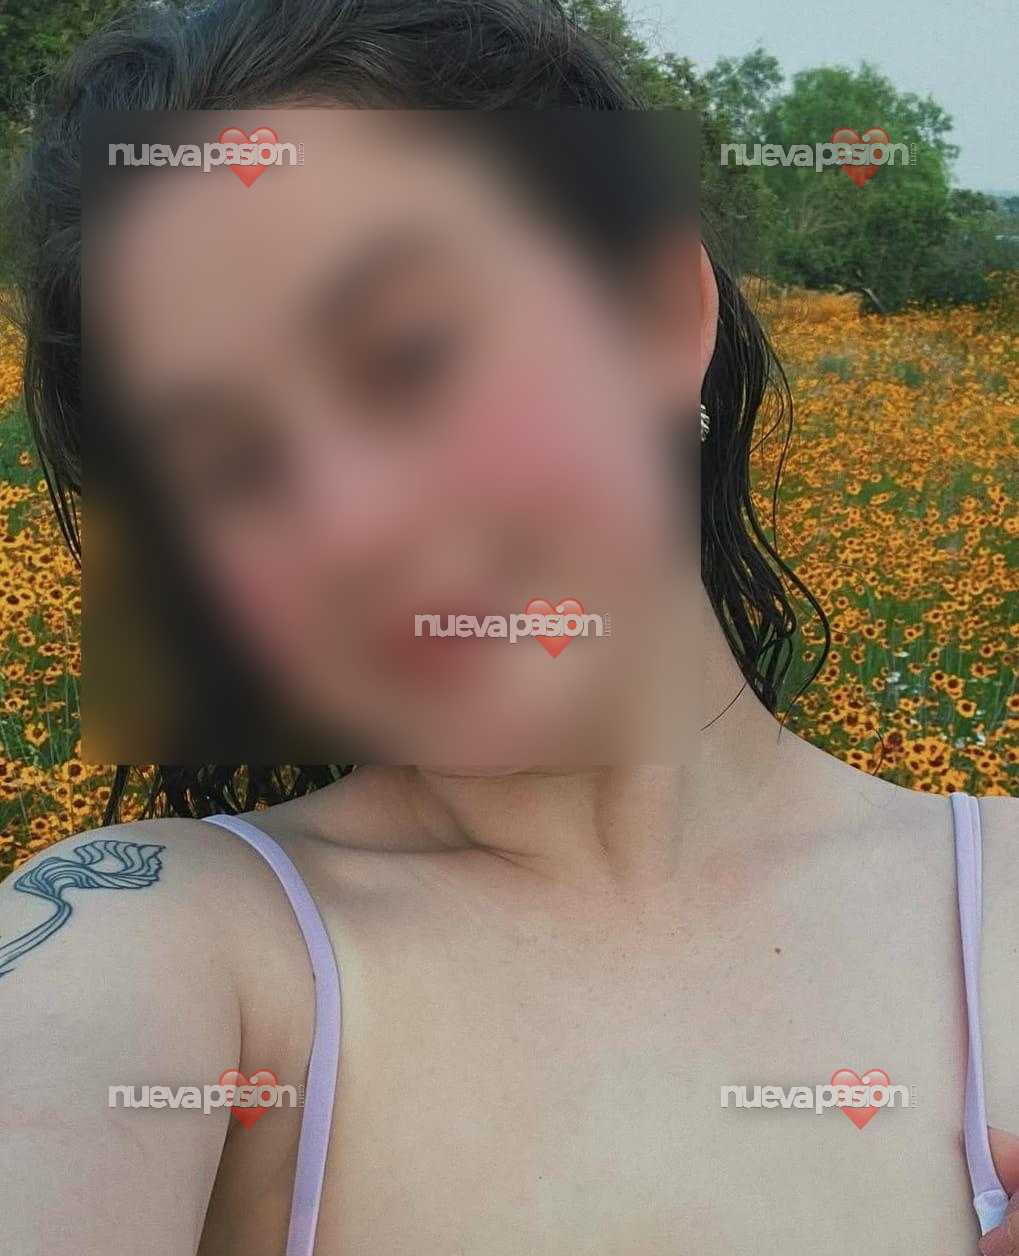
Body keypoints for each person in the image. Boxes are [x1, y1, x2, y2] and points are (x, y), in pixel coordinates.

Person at [1, 2, 1016, 1253]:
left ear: (655, 311)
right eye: (228, 468)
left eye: (409, 355)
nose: (349, 523)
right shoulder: (150, 942)